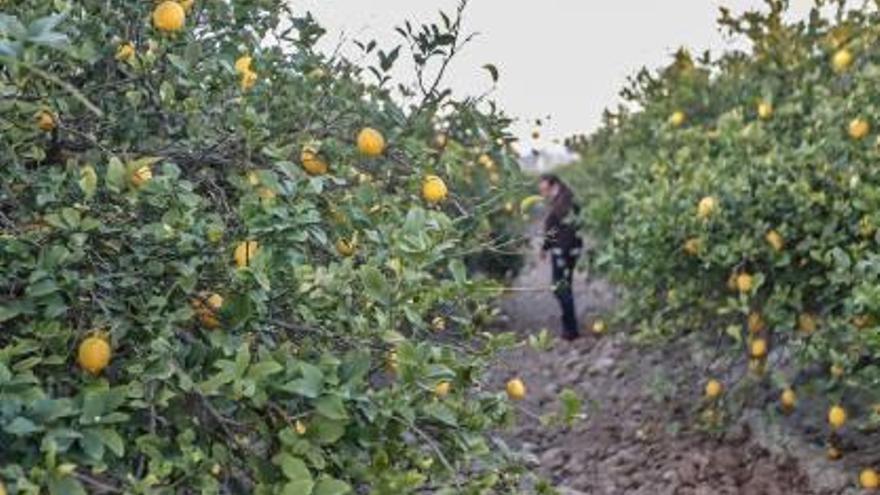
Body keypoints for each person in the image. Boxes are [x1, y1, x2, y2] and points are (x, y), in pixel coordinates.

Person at [538, 174, 583, 341]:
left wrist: (550, 247)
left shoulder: (565, 203)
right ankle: (569, 327)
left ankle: (571, 329)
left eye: (544, 189)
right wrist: (546, 247)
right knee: (565, 287)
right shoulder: (564, 199)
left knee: (560, 288)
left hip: (564, 252)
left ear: (553, 185)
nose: (543, 193)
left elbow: (557, 229)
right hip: (568, 250)